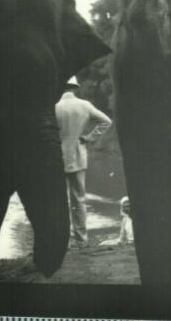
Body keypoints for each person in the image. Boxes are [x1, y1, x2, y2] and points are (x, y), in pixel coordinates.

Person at [55, 76, 112, 248]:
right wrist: (88, 138)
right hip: (78, 156)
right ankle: (81, 240)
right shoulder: (84, 105)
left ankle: (61, 241)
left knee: (58, 199)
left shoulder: (54, 107)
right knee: (78, 199)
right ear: (75, 88)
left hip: (57, 157)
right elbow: (107, 122)